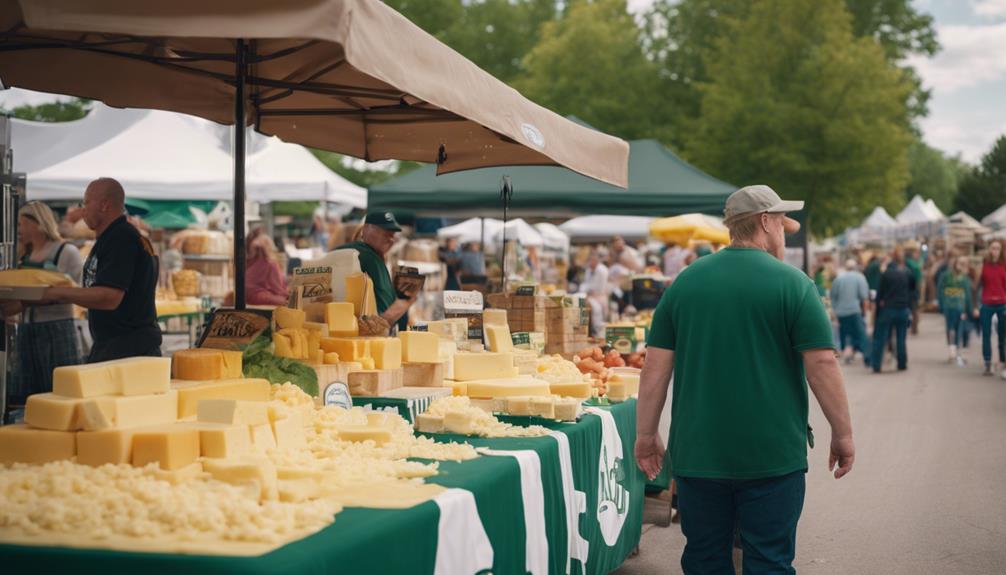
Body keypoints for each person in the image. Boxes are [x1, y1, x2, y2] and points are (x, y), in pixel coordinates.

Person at [635, 185, 854, 575]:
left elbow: (655, 366)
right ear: (765, 223)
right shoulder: (794, 284)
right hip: (771, 456)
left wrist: (646, 434)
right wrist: (843, 433)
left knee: (704, 558)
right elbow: (822, 363)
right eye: (783, 224)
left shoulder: (685, 283)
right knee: (769, 560)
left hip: (698, 454)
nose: (785, 232)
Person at [37, 178, 161, 362]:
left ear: (104, 205)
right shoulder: (112, 237)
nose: (82, 209)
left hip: (129, 350)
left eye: (86, 202)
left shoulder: (121, 238)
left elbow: (109, 297)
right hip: (118, 347)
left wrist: (57, 293)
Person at [3, 202, 85, 407]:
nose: (18, 230)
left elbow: (76, 291)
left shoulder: (66, 252)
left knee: (59, 392)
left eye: (22, 224)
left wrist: (25, 302)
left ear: (38, 224)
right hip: (27, 329)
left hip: (57, 328)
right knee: (30, 395)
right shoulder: (24, 255)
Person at [335, 212, 418, 335]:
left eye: (393, 234)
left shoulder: (341, 251)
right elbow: (382, 321)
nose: (390, 238)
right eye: (385, 232)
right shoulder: (371, 258)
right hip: (370, 344)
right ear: (366, 229)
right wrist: (405, 302)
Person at [871, 248, 915, 372]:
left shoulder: (886, 275)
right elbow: (912, 290)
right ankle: (902, 364)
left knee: (881, 337)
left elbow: (880, 294)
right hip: (903, 309)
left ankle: (876, 365)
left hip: (888, 309)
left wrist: (877, 312)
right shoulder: (906, 274)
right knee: (901, 338)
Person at [830, 258, 871, 367]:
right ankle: (867, 357)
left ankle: (847, 354)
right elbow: (863, 295)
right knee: (861, 334)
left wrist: (835, 311)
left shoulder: (838, 279)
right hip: (854, 310)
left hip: (841, 312)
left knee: (845, 333)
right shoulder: (859, 277)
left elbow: (833, 296)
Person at [936, 256, 973, 366]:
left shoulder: (962, 278)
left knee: (953, 329)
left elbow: (967, 295)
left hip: (956, 307)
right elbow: (940, 290)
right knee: (954, 329)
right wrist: (968, 309)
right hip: (954, 307)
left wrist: (941, 304)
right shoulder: (950, 276)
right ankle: (954, 352)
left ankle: (954, 352)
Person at [978, 239, 1006, 377]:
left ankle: (1003, 363)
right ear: (989, 249)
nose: (995, 250)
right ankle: (988, 364)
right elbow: (977, 285)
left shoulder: (1004, 265)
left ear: (1001, 251)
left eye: (997, 248)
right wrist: (976, 305)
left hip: (1002, 304)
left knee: (1003, 336)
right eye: (993, 248)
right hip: (987, 304)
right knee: (986, 335)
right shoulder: (983, 265)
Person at [245, 228, 289, 306]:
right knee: (287, 301)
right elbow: (278, 290)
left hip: (247, 297)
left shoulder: (247, 263)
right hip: (260, 298)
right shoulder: (270, 264)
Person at [577, 251, 609, 337]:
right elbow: (586, 285)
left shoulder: (602, 270)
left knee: (596, 308)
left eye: (593, 260)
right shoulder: (588, 270)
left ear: (597, 261)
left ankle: (597, 331)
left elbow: (600, 289)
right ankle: (585, 330)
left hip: (600, 297)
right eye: (590, 260)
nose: (591, 262)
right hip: (589, 296)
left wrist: (589, 295)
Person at [904, 241, 923, 336]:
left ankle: (913, 328)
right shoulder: (914, 265)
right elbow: (918, 280)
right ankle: (914, 328)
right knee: (914, 309)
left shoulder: (905, 263)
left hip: (906, 290)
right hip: (912, 290)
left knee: (910, 309)